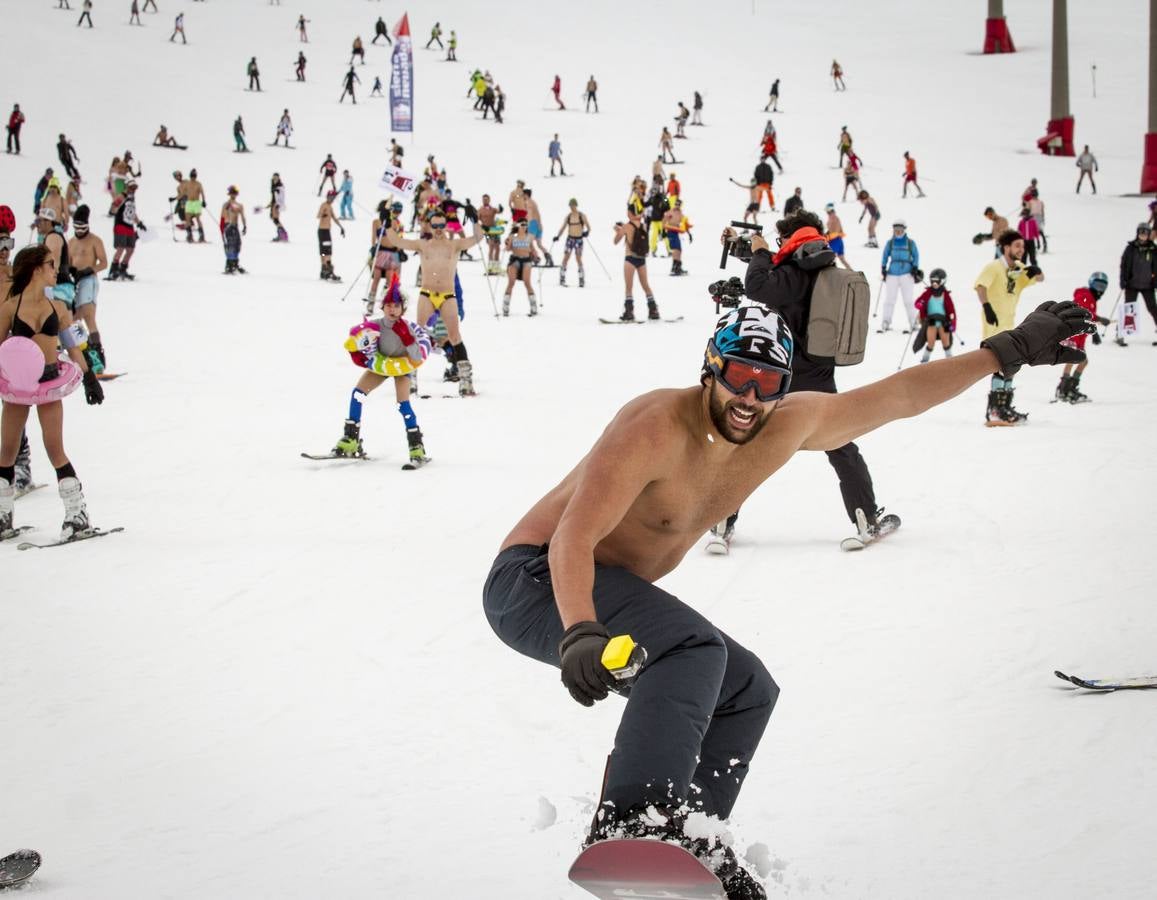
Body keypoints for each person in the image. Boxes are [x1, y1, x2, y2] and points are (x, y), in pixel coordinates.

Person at [483, 291, 1091, 899]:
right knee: (693, 651)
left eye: (768, 382)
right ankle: (637, 823)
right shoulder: (653, 425)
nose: (750, 398)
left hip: (603, 593)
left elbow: (900, 396)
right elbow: (573, 537)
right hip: (537, 581)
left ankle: (692, 833)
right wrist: (581, 630)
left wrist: (1001, 352)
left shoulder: (789, 423)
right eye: (739, 376)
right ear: (710, 369)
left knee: (747, 689)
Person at [712, 210, 890, 550]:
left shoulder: (791, 271)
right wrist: (743, 248)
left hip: (779, 376)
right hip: (820, 376)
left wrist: (762, 252)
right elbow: (775, 273)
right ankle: (866, 517)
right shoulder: (822, 266)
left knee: (747, 440)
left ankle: (722, 518)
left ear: (790, 239)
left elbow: (761, 283)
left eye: (780, 241)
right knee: (840, 445)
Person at [1, 244, 105, 543]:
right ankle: (2, 515)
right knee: (7, 451)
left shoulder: (58, 307)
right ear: (35, 269)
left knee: (54, 448)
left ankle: (77, 515)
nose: (55, 270)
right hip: (17, 385)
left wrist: (89, 378)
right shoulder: (10, 306)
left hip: (48, 383)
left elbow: (74, 345)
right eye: (49, 264)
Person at [333, 275, 432, 465]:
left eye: (396, 306)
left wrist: (408, 339)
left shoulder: (408, 328)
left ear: (403, 309)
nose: (392, 309)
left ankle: (416, 447)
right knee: (357, 395)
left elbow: (417, 357)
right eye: (388, 305)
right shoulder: (376, 326)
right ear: (382, 307)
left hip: (402, 368)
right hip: (380, 366)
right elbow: (360, 344)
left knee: (402, 405)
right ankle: (351, 439)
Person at [383, 211, 484, 396]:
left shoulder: (454, 245)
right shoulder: (423, 245)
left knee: (454, 336)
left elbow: (478, 237)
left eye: (441, 225)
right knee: (417, 332)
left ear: (446, 225)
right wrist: (388, 222)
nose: (438, 230)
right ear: (430, 226)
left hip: (447, 294)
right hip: (427, 294)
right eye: (435, 226)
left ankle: (466, 380)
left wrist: (475, 220)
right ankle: (410, 377)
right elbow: (397, 241)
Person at [973, 229, 1044, 425]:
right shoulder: (994, 267)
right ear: (1006, 247)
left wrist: (1035, 270)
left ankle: (1004, 407)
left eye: (1023, 246)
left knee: (1011, 366)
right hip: (994, 325)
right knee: (999, 365)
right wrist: (987, 307)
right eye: (1017, 246)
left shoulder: (1019, 268)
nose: (1021, 249)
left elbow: (1040, 279)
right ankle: (995, 410)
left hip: (1010, 326)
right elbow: (980, 286)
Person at [65, 205, 108, 372]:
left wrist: (90, 270)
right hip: (75, 283)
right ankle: (87, 354)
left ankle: (97, 356)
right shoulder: (71, 242)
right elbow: (68, 263)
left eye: (82, 227)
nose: (79, 231)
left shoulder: (95, 240)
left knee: (88, 317)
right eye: (76, 228)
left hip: (89, 281)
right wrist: (69, 272)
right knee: (74, 319)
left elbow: (104, 262)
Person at [1055, 272, 1107, 402]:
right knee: (1076, 360)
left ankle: (1068, 388)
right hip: (1074, 334)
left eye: (1103, 287)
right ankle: (1064, 389)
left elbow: (1089, 315)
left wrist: (1095, 328)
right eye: (1097, 285)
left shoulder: (1090, 298)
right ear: (1091, 283)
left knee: (1081, 361)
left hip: (1080, 336)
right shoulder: (1084, 295)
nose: (1100, 290)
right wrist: (1098, 319)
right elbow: (1083, 312)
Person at [613, 208, 659, 321]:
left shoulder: (626, 226)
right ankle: (653, 310)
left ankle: (629, 312)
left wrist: (618, 230)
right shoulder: (643, 226)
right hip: (641, 259)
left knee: (629, 287)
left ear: (629, 214)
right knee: (646, 286)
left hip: (630, 259)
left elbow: (615, 241)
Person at [879, 219, 920, 333]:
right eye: (896, 230)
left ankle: (913, 322)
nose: (897, 232)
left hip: (907, 274)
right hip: (892, 274)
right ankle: (886, 322)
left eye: (900, 230)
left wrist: (915, 267)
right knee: (889, 299)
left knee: (908, 300)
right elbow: (885, 255)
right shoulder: (890, 243)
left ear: (904, 230)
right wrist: (883, 268)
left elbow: (916, 255)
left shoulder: (910, 243)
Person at [1118, 222, 1156, 346]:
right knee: (1128, 309)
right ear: (1138, 233)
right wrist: (1123, 280)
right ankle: (1120, 335)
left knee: (1153, 309)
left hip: (1148, 285)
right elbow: (1124, 265)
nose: (1143, 235)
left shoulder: (1153, 249)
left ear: (1149, 234)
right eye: (1141, 233)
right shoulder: (1131, 248)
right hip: (1132, 284)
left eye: (1145, 233)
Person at [912, 268, 956, 364]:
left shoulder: (945, 295)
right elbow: (917, 303)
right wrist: (921, 303)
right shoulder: (928, 293)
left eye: (937, 281)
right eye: (933, 281)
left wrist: (953, 323)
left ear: (943, 281)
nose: (935, 283)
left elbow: (951, 310)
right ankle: (925, 360)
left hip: (943, 322)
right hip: (931, 321)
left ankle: (950, 359)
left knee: (946, 342)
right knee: (930, 342)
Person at [367, 200, 404, 309]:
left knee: (390, 278)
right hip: (381, 252)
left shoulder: (396, 223)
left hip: (392, 253)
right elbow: (373, 239)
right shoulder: (377, 222)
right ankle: (371, 301)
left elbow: (400, 238)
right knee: (376, 277)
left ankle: (386, 301)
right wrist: (373, 250)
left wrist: (399, 250)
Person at [108, 181, 145, 281]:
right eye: (131, 188)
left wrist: (139, 222)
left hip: (129, 225)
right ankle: (113, 270)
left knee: (130, 248)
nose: (133, 190)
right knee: (121, 247)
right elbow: (114, 207)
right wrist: (113, 210)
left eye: (134, 188)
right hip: (120, 224)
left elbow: (132, 212)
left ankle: (123, 268)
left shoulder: (132, 198)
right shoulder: (122, 196)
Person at [502, 220, 539, 316]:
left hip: (526, 260)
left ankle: (533, 305)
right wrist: (507, 244)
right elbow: (508, 249)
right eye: (522, 224)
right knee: (511, 282)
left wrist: (536, 256)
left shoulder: (529, 237)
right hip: (515, 260)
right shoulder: (513, 237)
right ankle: (505, 305)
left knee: (527, 282)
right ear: (518, 226)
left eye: (526, 225)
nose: (524, 226)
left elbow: (533, 249)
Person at [553, 198, 589, 287]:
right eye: (570, 205)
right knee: (566, 257)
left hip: (579, 239)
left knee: (578, 258)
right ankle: (562, 278)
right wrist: (558, 236)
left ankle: (581, 279)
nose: (571, 207)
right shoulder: (568, 216)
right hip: (570, 239)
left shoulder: (581, 216)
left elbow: (588, 227)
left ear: (576, 205)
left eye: (573, 205)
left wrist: (586, 232)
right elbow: (563, 227)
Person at [316, 192, 345, 282]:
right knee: (326, 252)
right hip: (323, 231)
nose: (332, 199)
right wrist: (323, 214)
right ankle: (328, 271)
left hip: (326, 231)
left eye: (333, 197)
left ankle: (324, 270)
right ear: (328, 197)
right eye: (331, 197)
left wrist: (341, 227)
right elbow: (318, 215)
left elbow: (334, 218)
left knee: (325, 251)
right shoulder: (324, 205)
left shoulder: (330, 207)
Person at [220, 185, 247, 274]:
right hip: (228, 226)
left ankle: (235, 263)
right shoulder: (226, 204)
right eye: (232, 192)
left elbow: (242, 216)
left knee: (237, 245)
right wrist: (222, 227)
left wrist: (244, 226)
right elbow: (222, 216)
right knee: (230, 245)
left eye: (235, 193)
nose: (233, 194)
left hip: (235, 226)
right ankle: (229, 265)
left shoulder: (239, 205)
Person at [662, 199, 691, 276]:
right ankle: (674, 267)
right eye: (676, 204)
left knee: (679, 250)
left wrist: (689, 234)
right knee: (675, 249)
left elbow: (685, 223)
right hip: (671, 232)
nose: (677, 205)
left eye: (679, 204)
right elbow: (664, 221)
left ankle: (678, 266)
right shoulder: (671, 212)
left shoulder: (680, 213)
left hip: (676, 232)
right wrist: (663, 231)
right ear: (674, 204)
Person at [823, 203, 851, 270]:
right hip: (838, 240)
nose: (827, 213)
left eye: (827, 211)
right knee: (841, 258)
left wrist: (827, 235)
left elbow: (833, 230)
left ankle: (832, 274)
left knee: (830, 258)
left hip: (835, 241)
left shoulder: (833, 217)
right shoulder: (835, 217)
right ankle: (852, 271)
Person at [181, 168, 206, 243]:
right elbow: (183, 193)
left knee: (198, 219)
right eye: (192, 176)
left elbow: (202, 193)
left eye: (194, 176)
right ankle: (189, 235)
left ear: (196, 176)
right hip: (189, 203)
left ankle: (201, 235)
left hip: (196, 203)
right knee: (187, 219)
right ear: (190, 176)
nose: (193, 177)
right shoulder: (187, 184)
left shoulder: (198, 184)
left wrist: (204, 201)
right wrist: (176, 199)